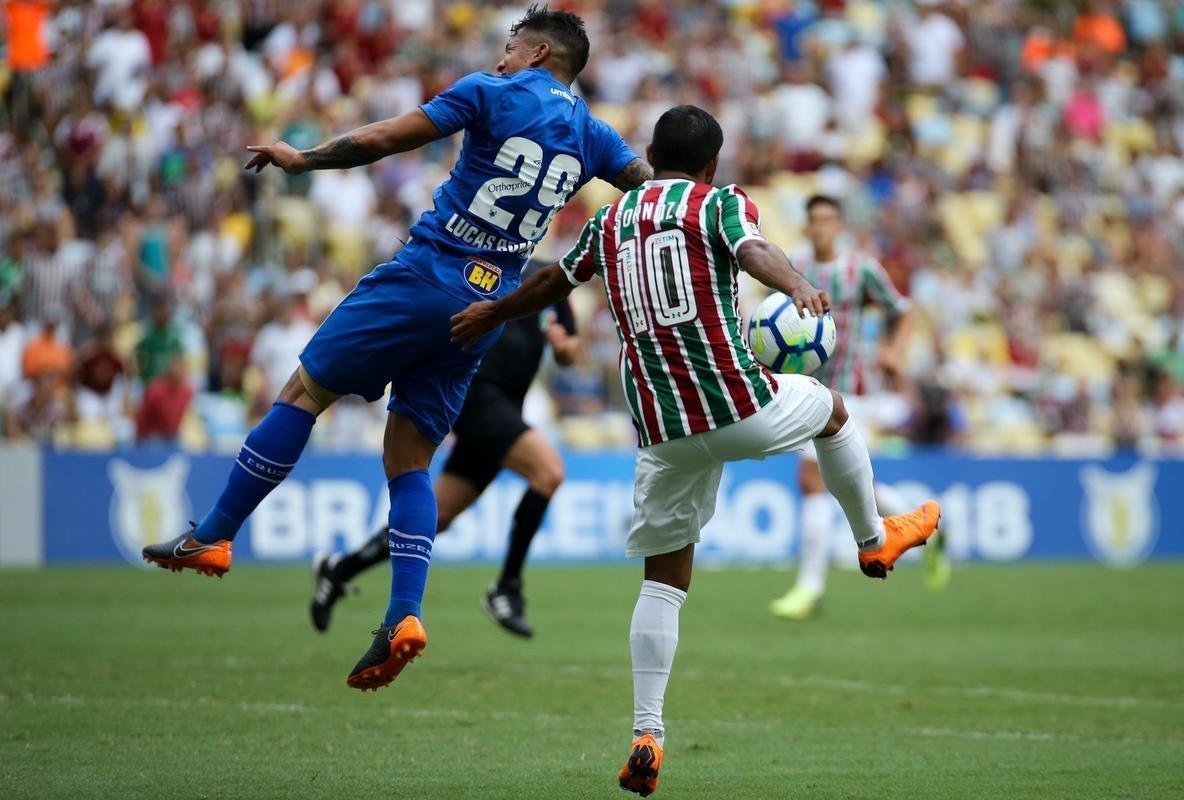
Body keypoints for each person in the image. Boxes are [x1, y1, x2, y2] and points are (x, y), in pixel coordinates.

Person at [141, 5, 652, 694]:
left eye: (508, 47)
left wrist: (305, 158)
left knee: (303, 393)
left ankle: (215, 533)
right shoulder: (594, 135)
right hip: (484, 307)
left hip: (426, 275)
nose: (499, 58)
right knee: (409, 457)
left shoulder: (490, 91)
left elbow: (383, 138)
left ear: (535, 52)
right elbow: (647, 185)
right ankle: (403, 616)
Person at [451, 105, 941, 797]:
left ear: (651, 152)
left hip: (660, 429)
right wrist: (796, 283)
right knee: (833, 409)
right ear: (711, 165)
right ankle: (874, 537)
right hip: (737, 402)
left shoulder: (609, 220)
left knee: (662, 581)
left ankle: (646, 734)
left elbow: (551, 283)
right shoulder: (719, 203)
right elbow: (752, 251)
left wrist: (492, 312)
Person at [310, 268, 579, 638]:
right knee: (548, 473)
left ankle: (339, 570)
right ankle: (507, 588)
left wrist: (565, 348)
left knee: (437, 517)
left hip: (505, 408)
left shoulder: (554, 281)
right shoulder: (487, 267)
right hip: (477, 396)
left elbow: (570, 350)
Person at [768, 195, 950, 621]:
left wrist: (895, 352)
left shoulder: (861, 268)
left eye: (829, 220)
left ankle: (809, 588)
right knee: (853, 488)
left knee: (813, 479)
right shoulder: (794, 269)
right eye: (814, 220)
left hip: (853, 395)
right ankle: (926, 527)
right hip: (807, 387)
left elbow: (903, 311)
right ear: (807, 226)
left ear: (840, 225)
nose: (821, 228)